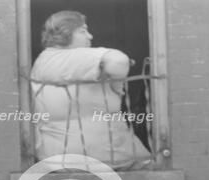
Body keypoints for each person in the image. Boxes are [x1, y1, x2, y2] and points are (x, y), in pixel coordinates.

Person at [30, 10, 152, 171]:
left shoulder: (41, 62)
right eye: (83, 31)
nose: (90, 36)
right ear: (65, 33)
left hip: (56, 162)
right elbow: (118, 63)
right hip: (114, 161)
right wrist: (108, 63)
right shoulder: (78, 58)